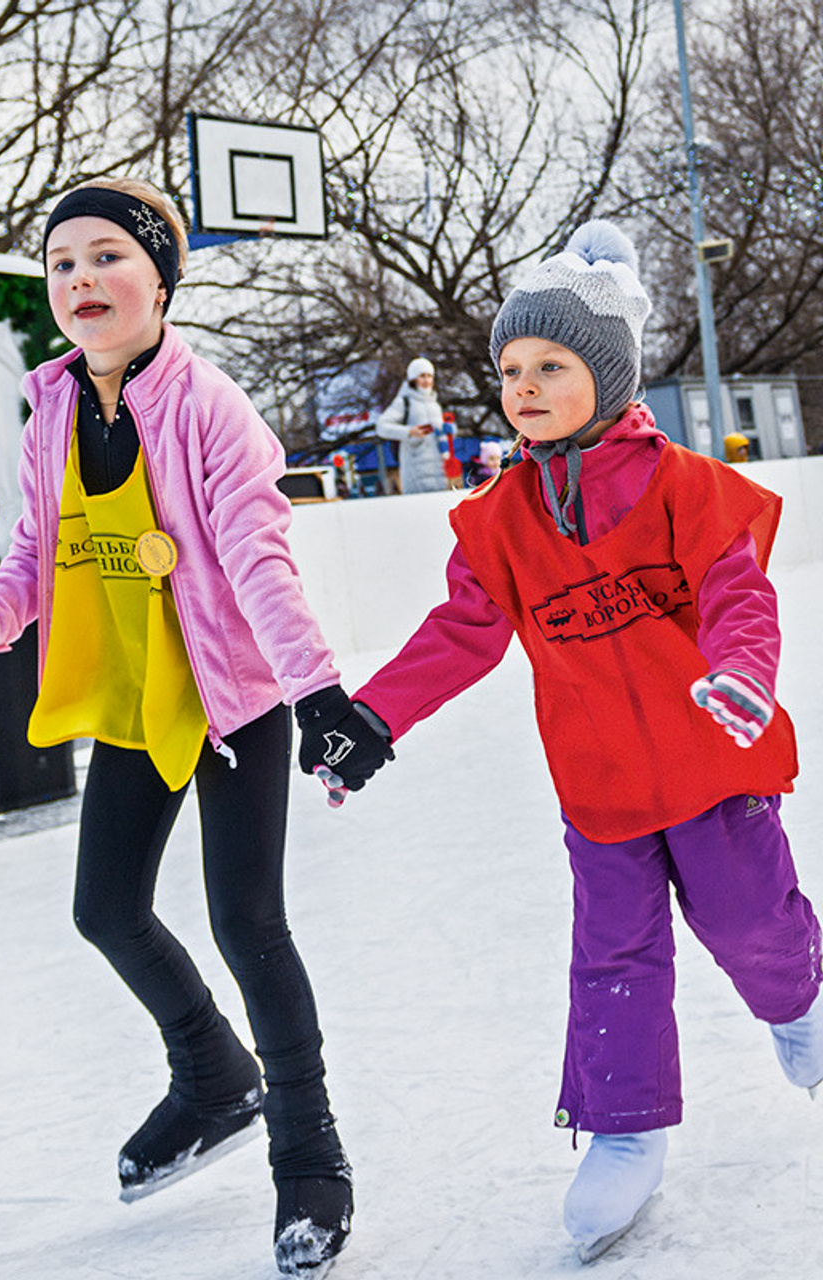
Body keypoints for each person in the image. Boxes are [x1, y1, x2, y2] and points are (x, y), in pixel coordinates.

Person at [298, 221, 823, 1262]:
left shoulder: (681, 485)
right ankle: (622, 1130)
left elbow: (736, 597)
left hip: (712, 767)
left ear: (609, 374)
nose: (523, 384)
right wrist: (371, 715)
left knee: (748, 923)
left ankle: (800, 1003)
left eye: (549, 364)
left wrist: (741, 678)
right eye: (507, 368)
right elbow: (460, 632)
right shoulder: (500, 520)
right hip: (600, 791)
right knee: (612, 963)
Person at [0, 177, 365, 1277]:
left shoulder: (210, 406)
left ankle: (307, 1152)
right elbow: (37, 544)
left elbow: (259, 559)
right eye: (61, 263)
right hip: (134, 692)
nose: (81, 279)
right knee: (105, 908)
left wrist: (314, 690)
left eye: (106, 257)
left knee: (247, 924)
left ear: (159, 277)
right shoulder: (52, 409)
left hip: (233, 697)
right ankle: (212, 1076)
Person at [376, 356, 448, 493]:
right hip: (415, 469)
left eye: (429, 376)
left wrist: (449, 430)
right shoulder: (404, 402)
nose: (426, 380)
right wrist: (409, 432)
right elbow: (381, 426)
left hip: (439, 470)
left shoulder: (435, 404)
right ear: (413, 379)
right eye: (422, 376)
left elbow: (440, 435)